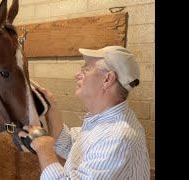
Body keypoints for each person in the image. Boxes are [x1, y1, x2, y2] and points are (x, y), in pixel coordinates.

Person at [19, 46, 150, 180]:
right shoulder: (104, 121)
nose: (77, 75)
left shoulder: (118, 137)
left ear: (107, 79)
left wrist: (44, 148)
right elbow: (71, 146)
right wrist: (52, 107)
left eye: (86, 69)